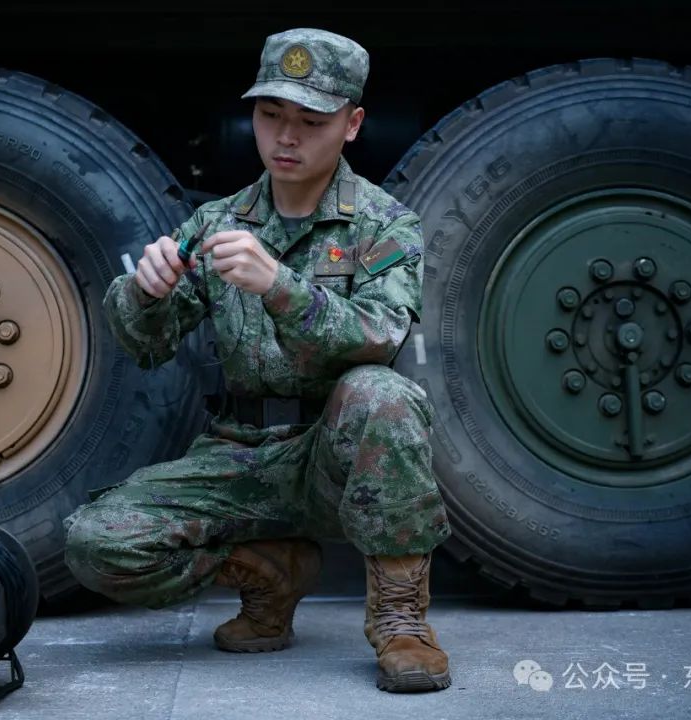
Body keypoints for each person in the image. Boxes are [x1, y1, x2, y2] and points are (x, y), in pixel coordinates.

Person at [63, 27, 452, 693]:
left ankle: (401, 620)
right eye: (271, 115)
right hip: (238, 455)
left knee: (382, 393)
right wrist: (143, 293)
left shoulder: (385, 226)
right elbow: (147, 345)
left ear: (352, 124)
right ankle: (268, 572)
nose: (286, 138)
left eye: (311, 121)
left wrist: (279, 286)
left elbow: (380, 335)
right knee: (95, 542)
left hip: (335, 459)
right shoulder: (218, 223)